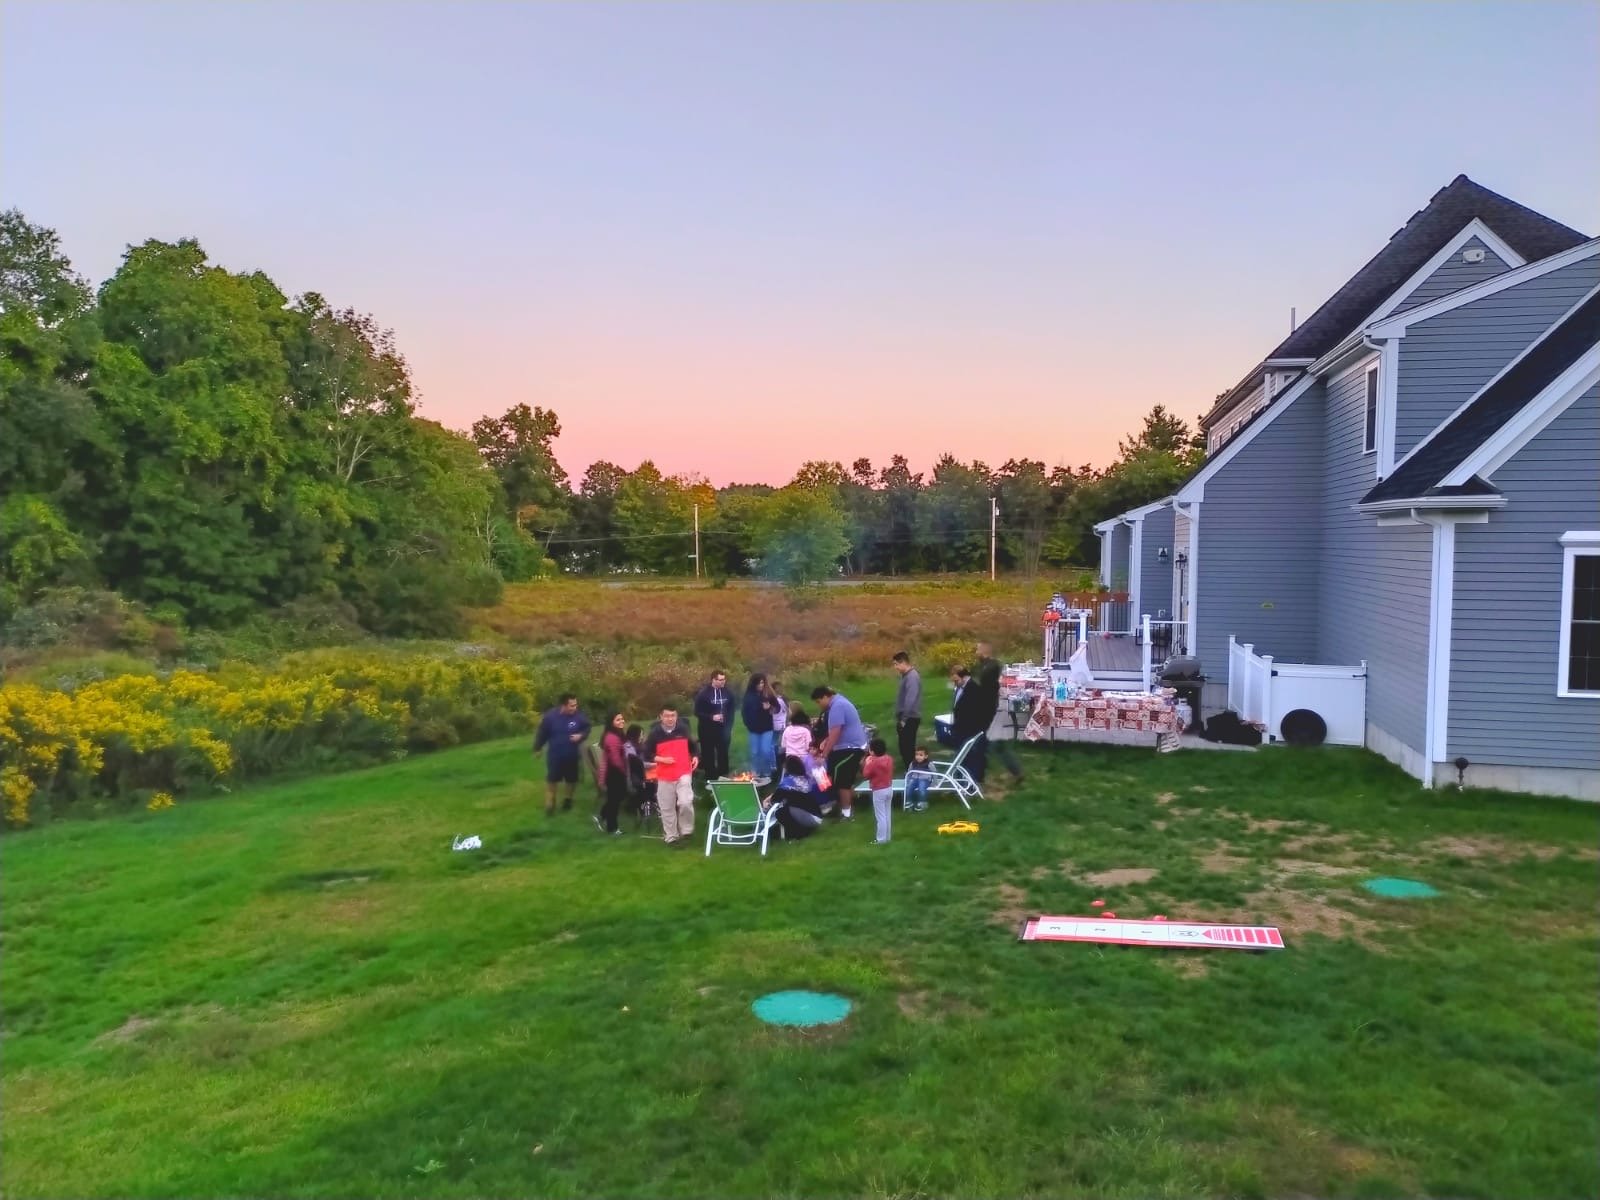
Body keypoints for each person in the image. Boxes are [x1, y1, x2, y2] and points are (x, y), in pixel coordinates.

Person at [643, 705, 700, 846]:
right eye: (667, 716)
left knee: (685, 802)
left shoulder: (683, 729)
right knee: (667, 807)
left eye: (673, 715)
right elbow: (646, 754)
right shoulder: (655, 734)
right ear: (661, 717)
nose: (670, 719)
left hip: (683, 772)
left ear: (677, 716)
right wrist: (662, 759)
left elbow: (693, 747)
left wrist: (695, 756)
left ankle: (686, 830)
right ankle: (671, 837)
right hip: (664, 775)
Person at [811, 685, 868, 821]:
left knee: (842, 781)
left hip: (850, 748)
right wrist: (826, 741)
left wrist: (824, 754)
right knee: (830, 778)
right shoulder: (838, 703)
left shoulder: (838, 706)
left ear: (825, 697)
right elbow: (836, 731)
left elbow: (836, 732)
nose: (819, 705)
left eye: (819, 701)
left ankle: (847, 813)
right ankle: (847, 802)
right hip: (843, 747)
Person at [532, 694, 592, 816]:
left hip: (572, 755)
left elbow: (587, 727)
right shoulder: (550, 717)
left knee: (571, 779)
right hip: (555, 755)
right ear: (563, 705)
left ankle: (568, 800)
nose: (575, 708)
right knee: (552, 779)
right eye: (572, 705)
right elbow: (542, 733)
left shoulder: (579, 716)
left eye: (575, 705)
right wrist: (537, 748)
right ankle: (550, 804)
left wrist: (581, 736)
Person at [973, 640, 1024, 783]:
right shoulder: (986, 666)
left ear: (985, 651)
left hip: (990, 712)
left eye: (978, 650)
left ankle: (979, 775)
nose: (976, 653)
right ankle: (1015, 772)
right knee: (993, 744)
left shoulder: (991, 667)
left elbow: (985, 690)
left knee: (987, 744)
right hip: (989, 711)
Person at [767, 754, 825, 841]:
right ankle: (804, 828)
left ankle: (798, 833)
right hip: (817, 816)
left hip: (809, 817)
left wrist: (767, 801)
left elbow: (775, 799)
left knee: (780, 812)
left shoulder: (787, 782)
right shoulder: (806, 778)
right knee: (790, 807)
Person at [594, 712, 630, 836]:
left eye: (622, 719)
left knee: (616, 797)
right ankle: (612, 828)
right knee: (614, 800)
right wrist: (625, 771)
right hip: (614, 772)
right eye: (618, 720)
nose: (621, 721)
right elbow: (616, 760)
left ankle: (601, 816)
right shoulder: (612, 737)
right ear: (611, 722)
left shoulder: (618, 734)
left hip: (616, 771)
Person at [693, 670, 734, 779]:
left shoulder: (728, 693)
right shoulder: (703, 694)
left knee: (723, 752)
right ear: (713, 680)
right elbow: (697, 712)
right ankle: (710, 777)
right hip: (707, 729)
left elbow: (731, 711)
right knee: (708, 753)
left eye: (724, 679)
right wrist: (711, 717)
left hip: (723, 729)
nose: (723, 682)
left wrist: (729, 726)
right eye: (720, 680)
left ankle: (723, 775)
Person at [950, 666, 988, 781]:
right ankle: (960, 778)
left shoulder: (974, 689)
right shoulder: (959, 688)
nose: (954, 683)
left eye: (956, 680)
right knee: (961, 755)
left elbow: (976, 712)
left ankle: (972, 781)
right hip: (960, 728)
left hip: (970, 729)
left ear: (964, 677)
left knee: (972, 756)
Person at [742, 672, 776, 780]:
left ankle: (766, 772)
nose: (761, 685)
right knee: (755, 752)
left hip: (767, 728)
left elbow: (777, 708)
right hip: (753, 729)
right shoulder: (748, 696)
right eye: (759, 683)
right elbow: (744, 711)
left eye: (762, 682)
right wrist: (748, 724)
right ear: (754, 684)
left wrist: (769, 707)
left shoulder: (768, 694)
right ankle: (756, 772)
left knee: (765, 751)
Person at [891, 651, 922, 768]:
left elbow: (910, 699)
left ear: (903, 662)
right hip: (906, 717)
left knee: (907, 747)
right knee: (904, 746)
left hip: (909, 718)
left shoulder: (912, 677)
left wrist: (904, 719)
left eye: (896, 664)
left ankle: (912, 770)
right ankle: (910, 769)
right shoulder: (906, 676)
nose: (895, 667)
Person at [863, 737, 895, 844]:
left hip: (878, 791)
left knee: (880, 816)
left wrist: (867, 762)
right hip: (889, 788)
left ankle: (881, 840)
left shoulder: (873, 762)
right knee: (887, 814)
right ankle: (887, 837)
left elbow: (866, 774)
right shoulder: (889, 758)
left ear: (872, 751)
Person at [905, 746, 933, 812]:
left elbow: (934, 773)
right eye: (917, 755)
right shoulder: (913, 763)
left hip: (925, 779)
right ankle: (909, 802)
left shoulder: (929, 763)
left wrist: (934, 782)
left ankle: (922, 803)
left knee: (921, 788)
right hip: (915, 779)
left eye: (921, 755)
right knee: (909, 787)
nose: (918, 757)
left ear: (926, 756)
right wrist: (908, 780)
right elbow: (909, 772)